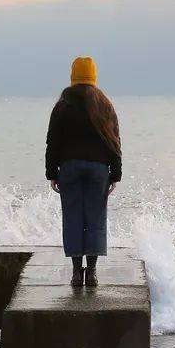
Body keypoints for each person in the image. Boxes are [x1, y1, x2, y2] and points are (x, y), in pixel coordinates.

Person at [45, 56, 122, 288]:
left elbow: (53, 142)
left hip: (69, 168)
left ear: (73, 76)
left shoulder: (63, 105)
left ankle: (77, 273)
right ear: (94, 77)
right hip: (98, 169)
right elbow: (115, 142)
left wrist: (52, 173)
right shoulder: (104, 105)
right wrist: (115, 174)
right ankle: (94, 272)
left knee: (73, 218)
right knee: (95, 219)